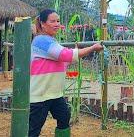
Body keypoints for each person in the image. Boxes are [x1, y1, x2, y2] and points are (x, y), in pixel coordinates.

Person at [29, 9, 103, 137]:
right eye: (52, 21)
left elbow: (63, 60)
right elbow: (65, 55)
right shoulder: (41, 40)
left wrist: (75, 52)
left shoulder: (51, 41)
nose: (57, 24)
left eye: (58, 21)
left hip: (53, 93)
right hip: (40, 94)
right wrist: (92, 48)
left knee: (64, 117)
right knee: (33, 129)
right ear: (42, 23)